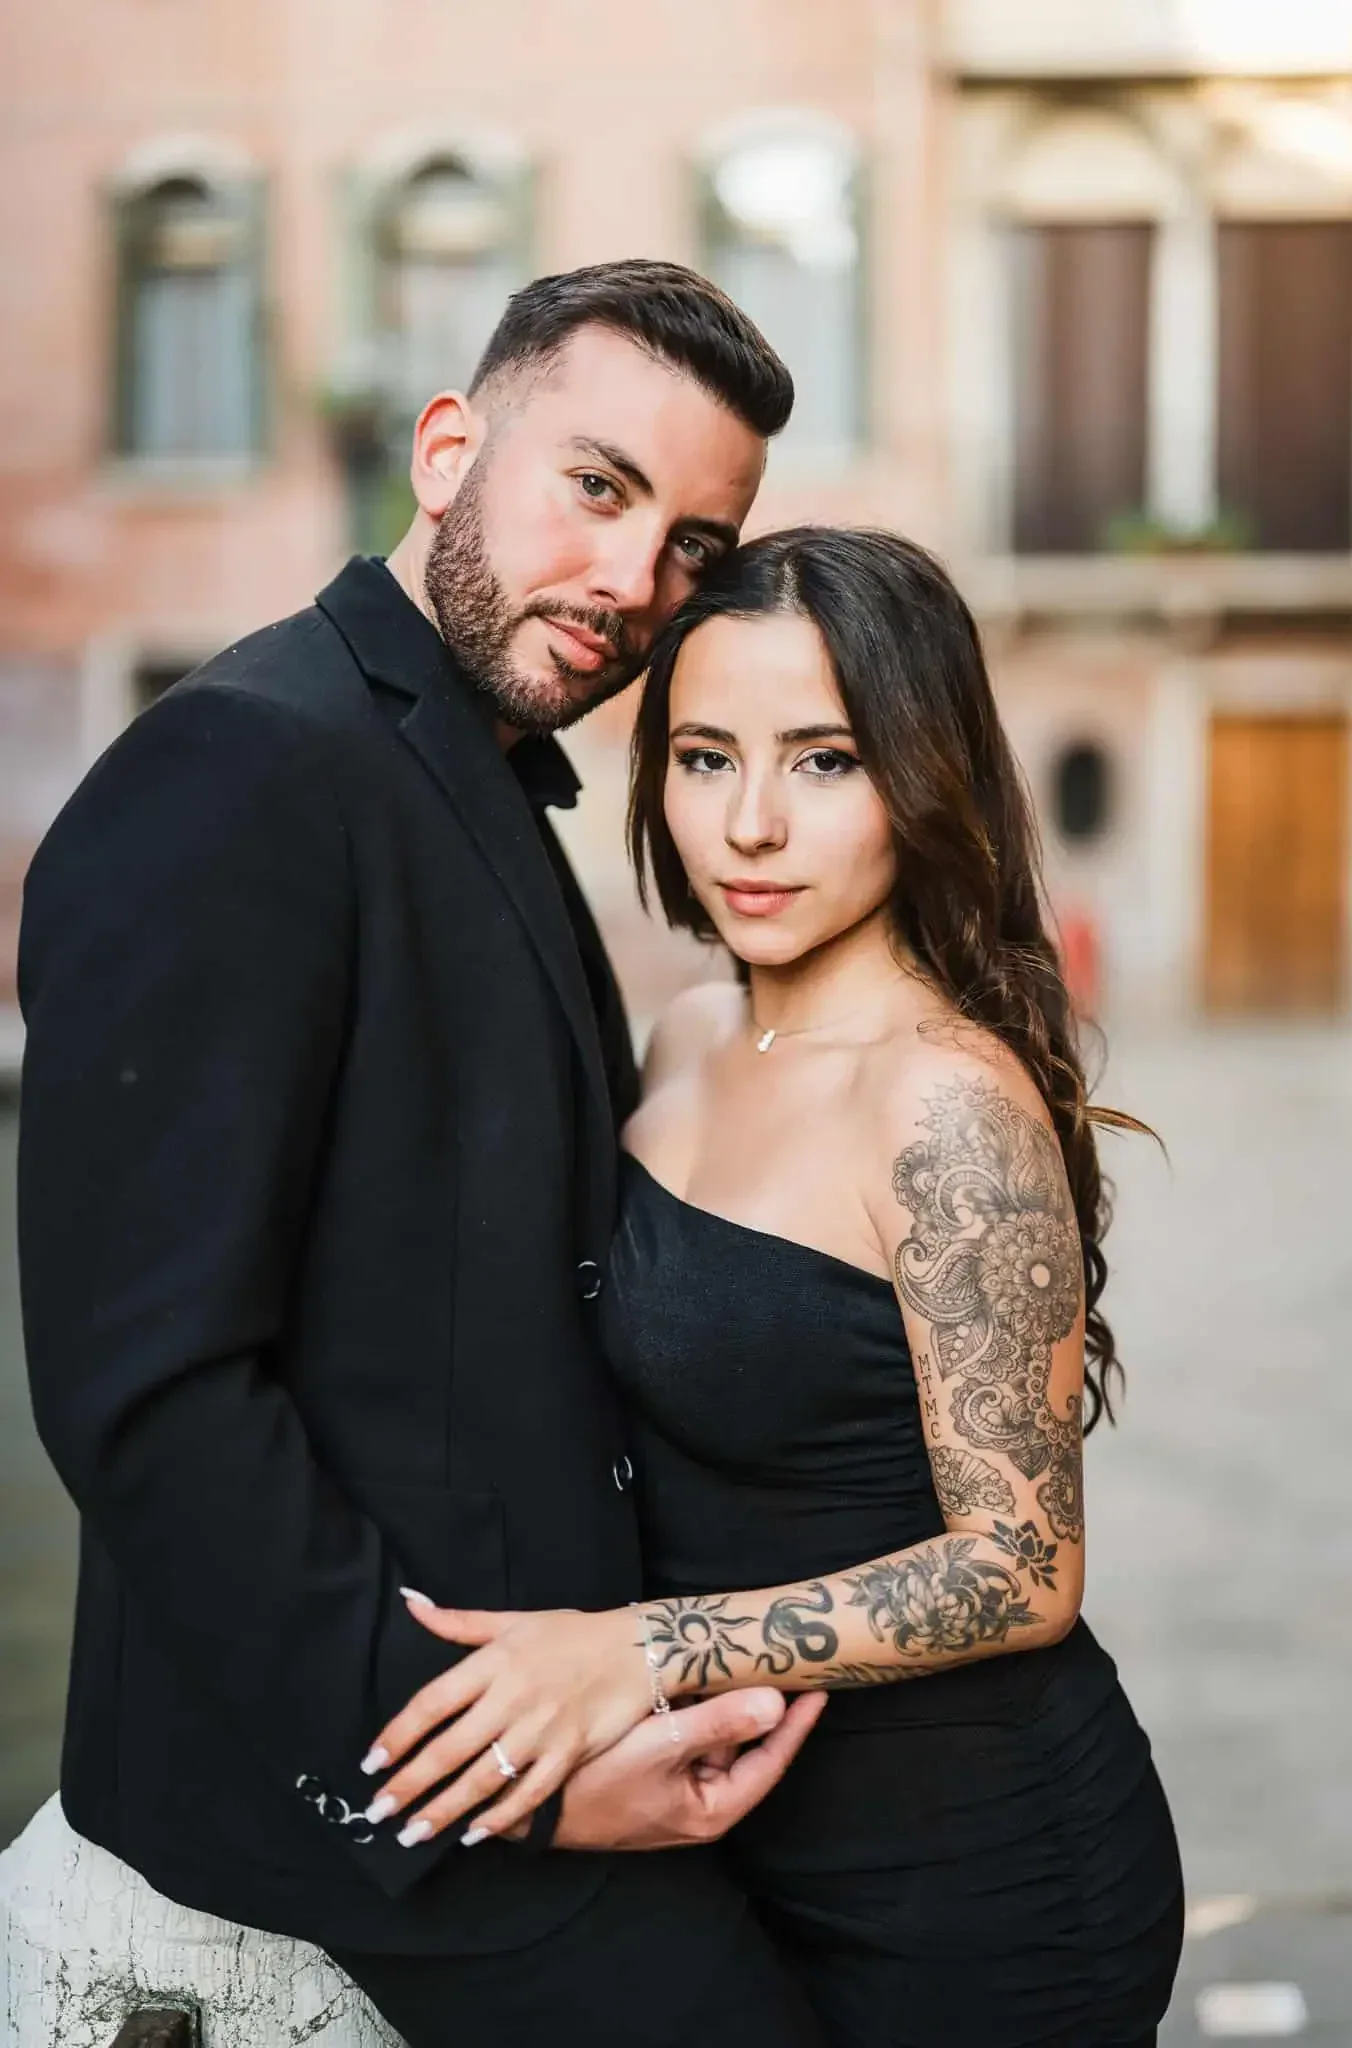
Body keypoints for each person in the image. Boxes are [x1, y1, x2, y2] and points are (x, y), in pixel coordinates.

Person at [16, 264, 832, 2048]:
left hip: (554, 1716)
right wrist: (508, 1785)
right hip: (382, 1804)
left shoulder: (459, 759)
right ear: (449, 448)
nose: (636, 583)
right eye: (599, 488)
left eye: (694, 542)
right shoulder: (239, 768)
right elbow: (146, 1399)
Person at [364, 528, 1186, 2047]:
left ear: (919, 775)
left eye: (823, 761)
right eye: (701, 756)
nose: (748, 824)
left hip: (985, 1885)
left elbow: (1020, 1564)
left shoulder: (940, 1102)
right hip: (738, 1856)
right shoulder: (685, 1033)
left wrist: (633, 1652)